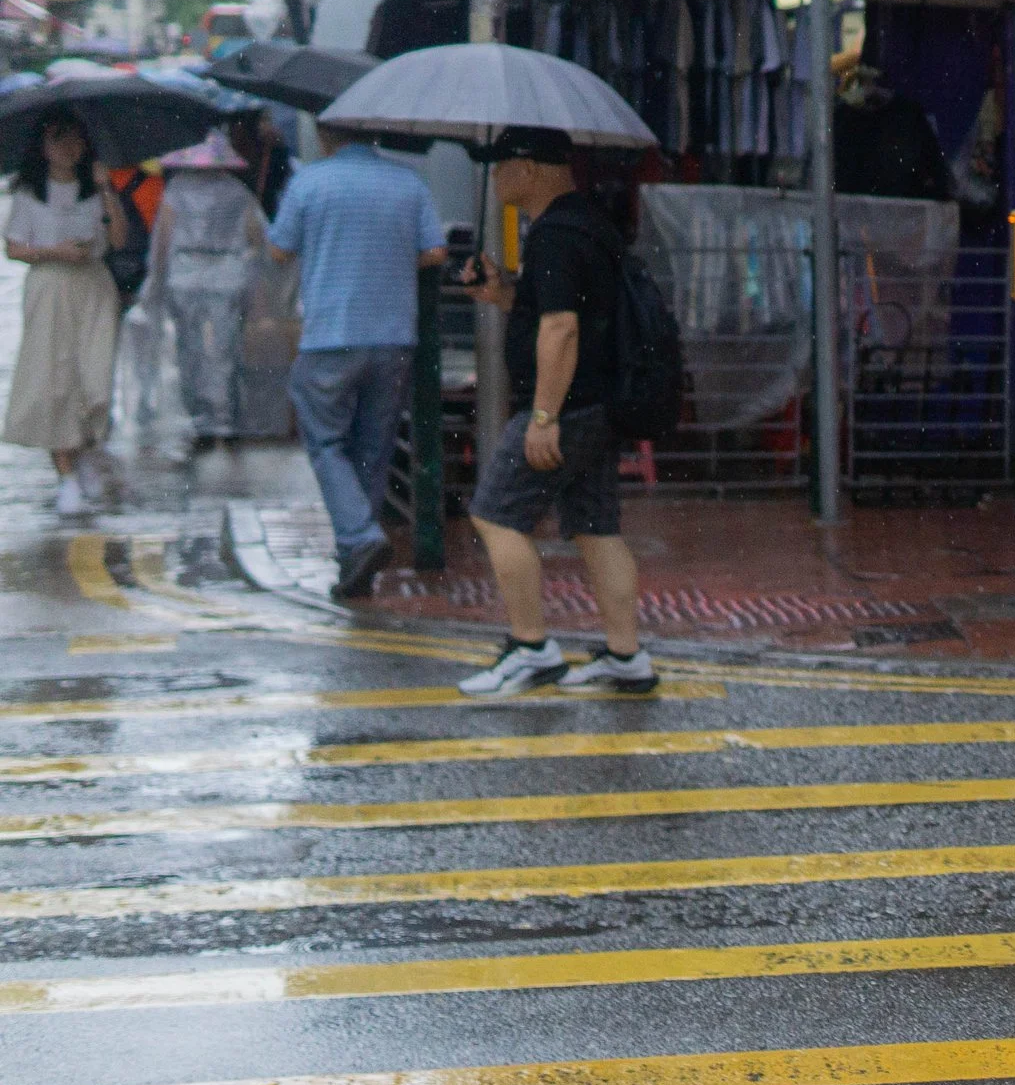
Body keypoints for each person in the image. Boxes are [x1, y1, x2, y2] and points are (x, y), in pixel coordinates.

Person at [454, 128, 652, 696]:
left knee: (495, 514)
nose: (495, 177)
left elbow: (562, 326)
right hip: (599, 403)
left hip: (566, 408)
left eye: (501, 165)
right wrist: (502, 295)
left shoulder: (555, 235)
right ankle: (625, 656)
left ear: (530, 169)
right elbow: (566, 310)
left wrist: (543, 417)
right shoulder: (586, 225)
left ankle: (532, 647)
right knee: (596, 527)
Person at [269, 123, 449, 600]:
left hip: (330, 334)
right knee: (375, 446)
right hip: (393, 336)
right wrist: (388, 258)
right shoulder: (408, 182)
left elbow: (278, 248)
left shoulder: (308, 182)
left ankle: (360, 538)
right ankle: (357, 559)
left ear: (325, 135)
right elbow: (434, 250)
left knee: (326, 442)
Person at [4, 113, 132, 518]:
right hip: (49, 286)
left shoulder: (95, 189)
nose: (68, 149)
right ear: (43, 148)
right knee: (53, 379)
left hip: (93, 285)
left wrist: (105, 189)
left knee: (94, 377)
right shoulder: (29, 193)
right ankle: (67, 476)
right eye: (59, 140)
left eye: (75, 141)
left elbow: (119, 240)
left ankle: (89, 452)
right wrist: (55, 251)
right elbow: (14, 247)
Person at [152, 133, 268, 443]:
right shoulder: (237, 191)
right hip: (227, 276)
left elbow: (163, 239)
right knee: (226, 347)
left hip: (185, 275)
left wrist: (156, 280)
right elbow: (257, 238)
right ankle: (226, 417)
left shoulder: (176, 189)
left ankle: (201, 418)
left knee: (189, 347)